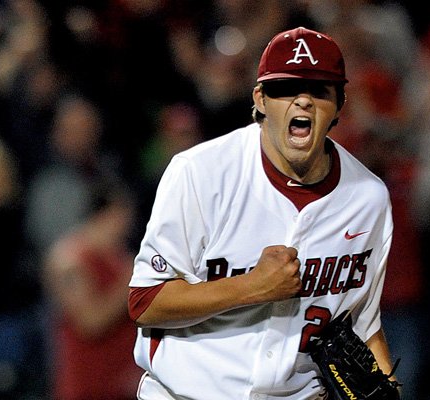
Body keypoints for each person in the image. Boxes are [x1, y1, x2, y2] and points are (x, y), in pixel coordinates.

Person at [128, 26, 398, 399]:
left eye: (318, 90)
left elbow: (365, 327)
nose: (302, 101)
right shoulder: (201, 173)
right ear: (259, 99)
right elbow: (145, 303)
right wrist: (250, 286)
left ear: (340, 104)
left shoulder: (368, 198)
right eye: (285, 88)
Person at [43, 184, 144, 400]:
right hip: (87, 385)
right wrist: (129, 284)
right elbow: (90, 321)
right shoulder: (69, 259)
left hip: (123, 382)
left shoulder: (119, 256)